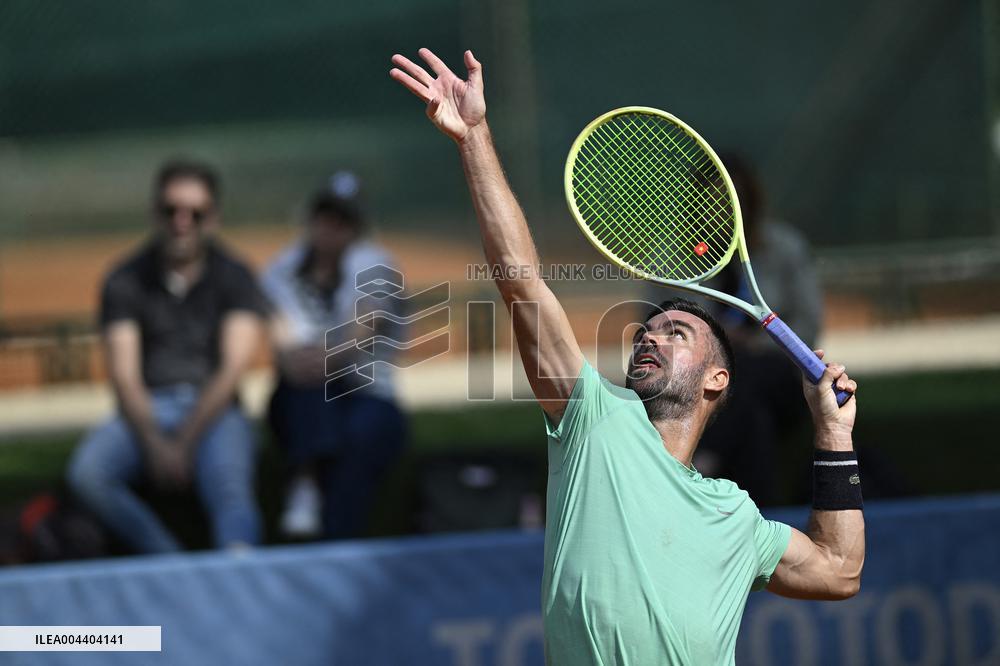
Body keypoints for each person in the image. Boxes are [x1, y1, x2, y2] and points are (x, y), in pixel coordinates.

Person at [390, 48, 865, 664]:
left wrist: (833, 433)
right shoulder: (595, 420)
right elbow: (521, 281)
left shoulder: (736, 516)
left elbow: (839, 571)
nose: (649, 336)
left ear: (717, 379)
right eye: (647, 331)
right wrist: (474, 138)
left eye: (676, 333)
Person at [67, 159, 265, 554]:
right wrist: (154, 442)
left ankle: (238, 570)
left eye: (195, 213)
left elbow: (231, 370)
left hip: (216, 411)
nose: (181, 222)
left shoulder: (236, 275)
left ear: (213, 218)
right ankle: (167, 561)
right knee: (87, 474)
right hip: (147, 408)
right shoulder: (125, 278)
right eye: (170, 210)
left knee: (230, 488)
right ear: (154, 213)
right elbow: (124, 375)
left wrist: (184, 441)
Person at [262, 172, 407, 539]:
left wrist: (323, 358)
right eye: (325, 217)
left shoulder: (374, 263)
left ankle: (324, 516)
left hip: (367, 393)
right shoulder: (283, 268)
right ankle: (307, 487)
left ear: (356, 227)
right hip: (304, 390)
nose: (330, 228)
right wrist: (301, 360)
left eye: (342, 220)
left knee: (359, 435)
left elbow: (366, 324)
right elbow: (282, 336)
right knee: (308, 396)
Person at [688, 154, 824, 504]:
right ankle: (763, 516)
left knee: (745, 372)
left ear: (750, 201)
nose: (720, 210)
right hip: (704, 384)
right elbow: (655, 323)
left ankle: (702, 466)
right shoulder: (674, 259)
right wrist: (716, 342)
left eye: (732, 199)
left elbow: (808, 324)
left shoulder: (786, 248)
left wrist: (754, 344)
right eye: (710, 200)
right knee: (753, 418)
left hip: (776, 376)